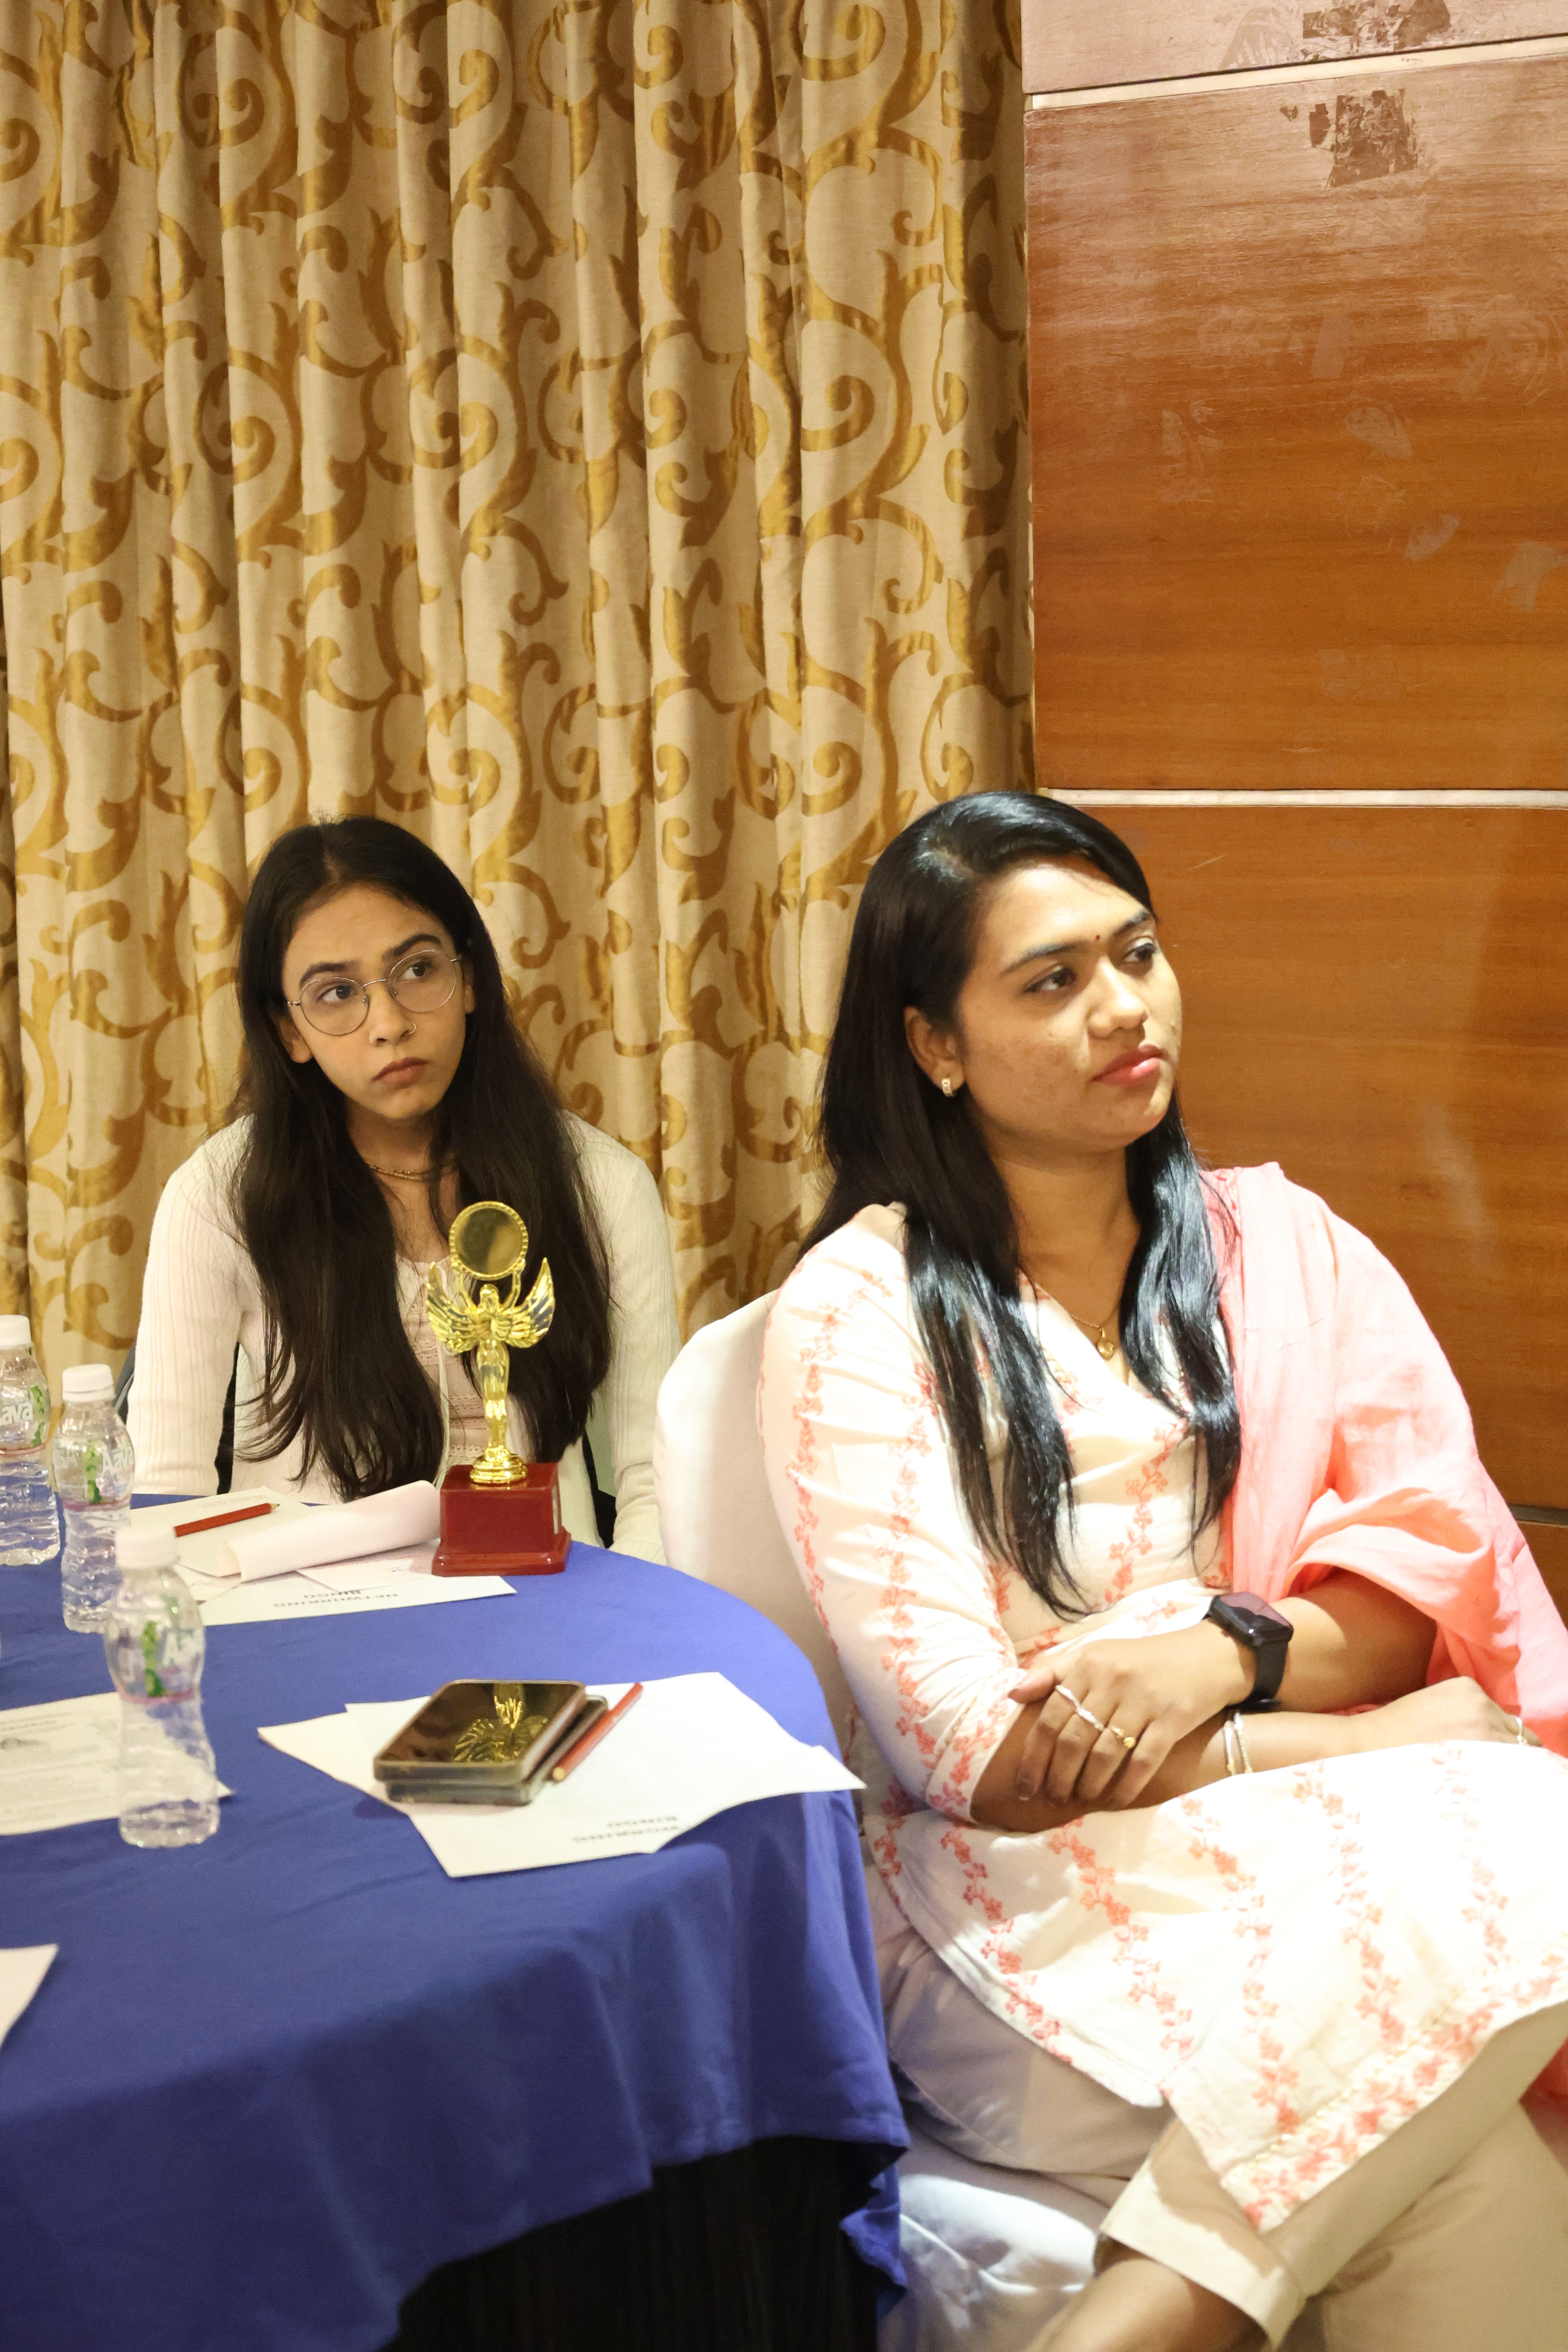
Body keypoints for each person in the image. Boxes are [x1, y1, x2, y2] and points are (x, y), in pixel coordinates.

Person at [758, 791, 1568, 2351]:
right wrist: (1340, 1730)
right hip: (1018, 1904)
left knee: (1457, 2152)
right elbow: (973, 1752)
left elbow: (1415, 1587)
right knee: (1469, 2113)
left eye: (1135, 953)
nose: (1122, 1005)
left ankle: (1144, 2318)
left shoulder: (1284, 1250)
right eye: (1050, 980)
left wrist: (1216, 1656)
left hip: (1322, 1854)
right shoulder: (863, 1314)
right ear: (934, 1043)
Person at [131, 817, 681, 1560]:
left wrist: (626, 1636)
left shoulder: (601, 1184)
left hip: (552, 1621)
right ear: (288, 1031)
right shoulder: (217, 1198)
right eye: (334, 994)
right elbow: (166, 1493)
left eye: (418, 970)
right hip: (319, 1628)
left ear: (471, 977)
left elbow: (653, 1478)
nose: (388, 1022)